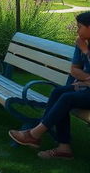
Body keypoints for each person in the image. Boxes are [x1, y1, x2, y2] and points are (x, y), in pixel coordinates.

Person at [8, 11, 90, 160]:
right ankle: (63, 147)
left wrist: (86, 51)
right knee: (58, 92)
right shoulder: (82, 41)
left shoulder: (83, 45)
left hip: (86, 89)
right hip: (85, 87)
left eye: (79, 27)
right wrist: (87, 80)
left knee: (67, 98)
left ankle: (34, 134)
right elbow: (74, 70)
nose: (77, 31)